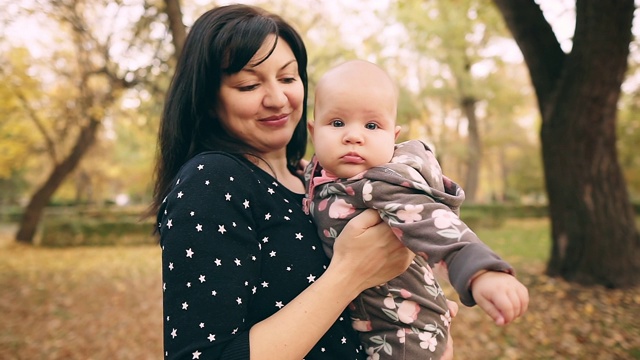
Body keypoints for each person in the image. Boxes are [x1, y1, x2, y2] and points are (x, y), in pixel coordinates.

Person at [149, 5, 458, 360]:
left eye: (287, 78)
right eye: (249, 84)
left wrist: (426, 324)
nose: (278, 99)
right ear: (207, 100)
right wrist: (348, 275)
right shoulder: (212, 182)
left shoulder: (312, 179)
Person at [304, 59, 529, 359]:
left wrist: (481, 272)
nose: (353, 136)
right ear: (313, 131)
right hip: (369, 322)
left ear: (393, 137)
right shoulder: (317, 175)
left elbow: (434, 224)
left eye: (372, 126)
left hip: (406, 330)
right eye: (337, 123)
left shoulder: (382, 186)